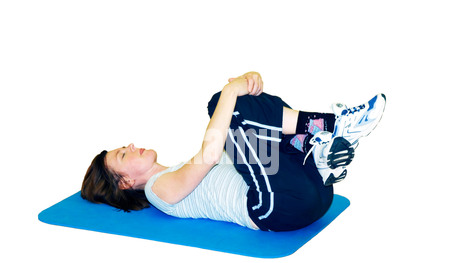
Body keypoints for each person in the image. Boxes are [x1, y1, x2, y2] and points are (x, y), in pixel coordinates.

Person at [81, 72, 386, 231]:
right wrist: (230, 91)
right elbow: (211, 152)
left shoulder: (179, 169)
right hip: (277, 208)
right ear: (123, 182)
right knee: (223, 105)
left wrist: (249, 85)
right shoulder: (157, 191)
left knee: (247, 114)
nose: (132, 146)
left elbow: (247, 138)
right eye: (124, 154)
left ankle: (324, 142)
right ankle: (325, 135)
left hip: (313, 196)